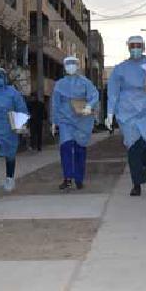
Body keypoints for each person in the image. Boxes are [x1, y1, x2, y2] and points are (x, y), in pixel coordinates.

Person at [106, 35, 146, 196]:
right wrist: (109, 113)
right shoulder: (120, 68)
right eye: (132, 45)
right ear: (128, 47)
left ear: (143, 46)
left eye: (138, 45)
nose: (135, 48)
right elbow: (113, 92)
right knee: (133, 147)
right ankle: (137, 183)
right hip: (128, 112)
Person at [51, 56, 100, 191]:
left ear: (78, 66)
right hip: (65, 120)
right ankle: (67, 178)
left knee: (80, 149)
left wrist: (89, 106)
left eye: (73, 64)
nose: (71, 66)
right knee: (65, 147)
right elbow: (55, 104)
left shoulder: (86, 83)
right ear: (65, 67)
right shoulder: (59, 84)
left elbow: (94, 95)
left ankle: (79, 178)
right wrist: (54, 121)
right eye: (68, 64)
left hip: (82, 120)